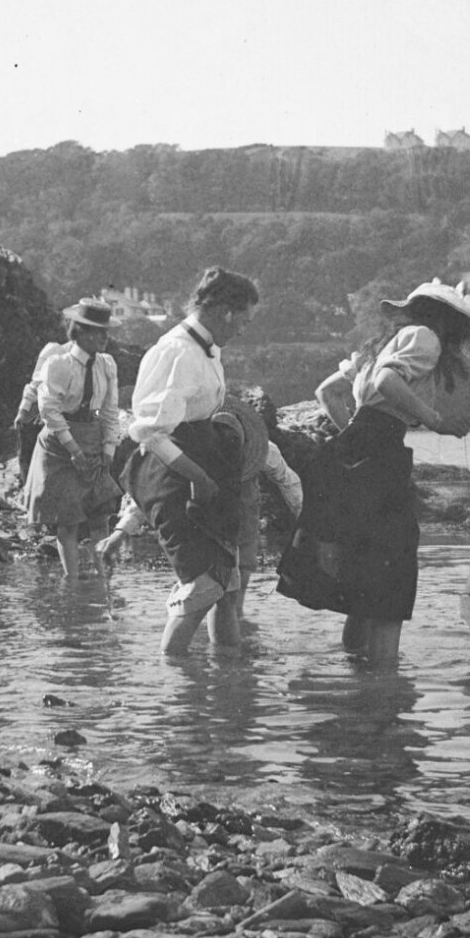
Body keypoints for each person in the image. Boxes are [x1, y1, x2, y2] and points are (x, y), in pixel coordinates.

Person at [278, 279, 470, 666]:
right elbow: (387, 380)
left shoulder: (383, 346)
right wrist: (436, 421)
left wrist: (354, 434)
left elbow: (326, 393)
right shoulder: (427, 338)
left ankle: (356, 670)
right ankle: (384, 684)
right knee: (391, 578)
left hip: (356, 453)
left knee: (364, 574)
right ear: (450, 320)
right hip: (380, 457)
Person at [122, 266, 260, 655]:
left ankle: (228, 670)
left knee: (226, 585)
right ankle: (174, 673)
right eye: (244, 321)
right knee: (202, 588)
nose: (242, 330)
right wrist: (198, 477)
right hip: (175, 471)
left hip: (205, 462)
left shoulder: (206, 349)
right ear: (226, 312)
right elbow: (151, 432)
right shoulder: (177, 352)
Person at [99, 393, 301, 627]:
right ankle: (210, 638)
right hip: (199, 520)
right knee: (203, 593)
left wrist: (305, 522)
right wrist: (120, 533)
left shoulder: (264, 450)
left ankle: (226, 638)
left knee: (233, 599)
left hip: (242, 513)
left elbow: (289, 481)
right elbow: (153, 496)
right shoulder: (188, 454)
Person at [24, 298, 123, 580]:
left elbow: (110, 410)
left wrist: (109, 450)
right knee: (67, 521)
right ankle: (72, 584)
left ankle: (105, 581)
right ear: (80, 332)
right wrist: (73, 449)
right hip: (59, 443)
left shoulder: (107, 365)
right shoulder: (59, 363)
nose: (105, 337)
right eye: (98, 331)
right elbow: (49, 410)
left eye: (106, 331)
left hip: (92, 438)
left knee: (100, 516)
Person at [13, 338, 68, 484]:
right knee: (28, 454)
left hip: (55, 415)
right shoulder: (55, 350)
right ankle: (28, 488)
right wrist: (23, 411)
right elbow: (35, 384)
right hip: (36, 411)